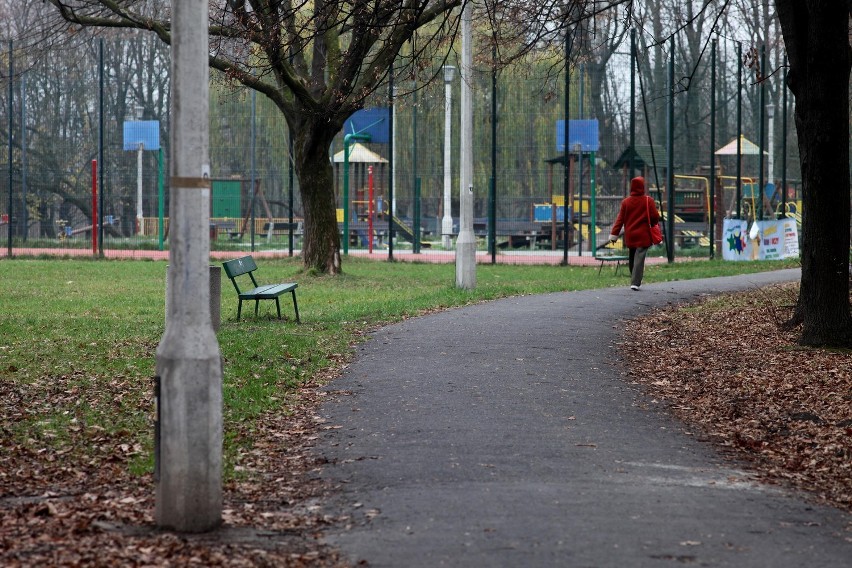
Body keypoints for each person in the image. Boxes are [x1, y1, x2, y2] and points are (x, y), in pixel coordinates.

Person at [609, 176, 660, 291]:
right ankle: (635, 282)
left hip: (630, 235)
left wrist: (614, 234)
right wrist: (652, 222)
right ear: (642, 187)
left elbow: (620, 219)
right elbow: (655, 217)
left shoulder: (626, 202)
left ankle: (633, 276)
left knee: (632, 256)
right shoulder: (648, 200)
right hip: (643, 235)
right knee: (640, 257)